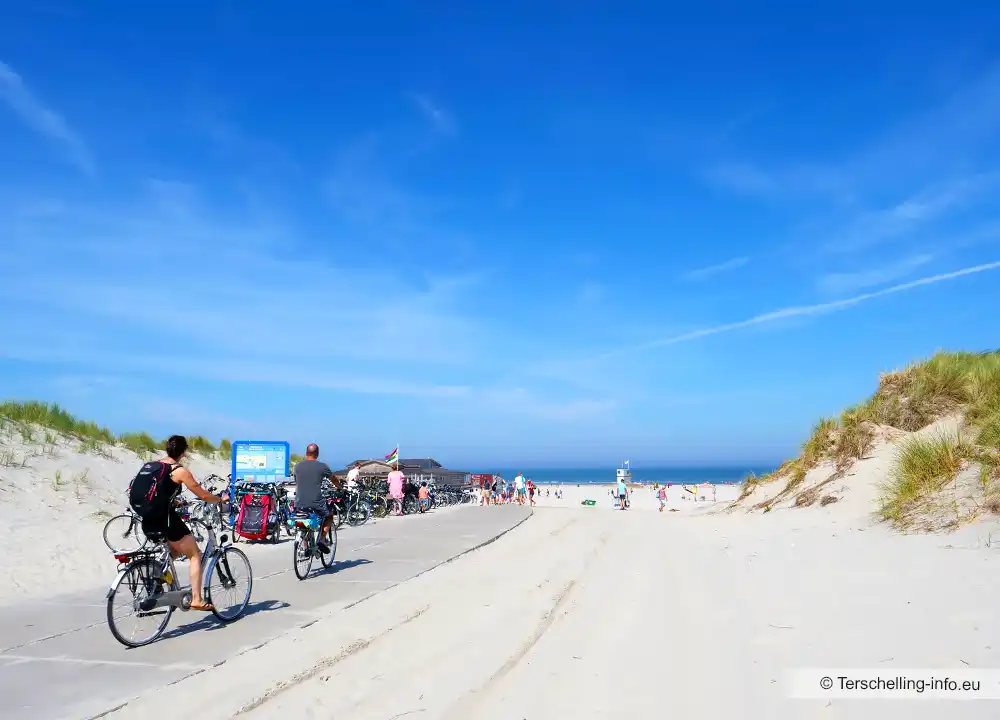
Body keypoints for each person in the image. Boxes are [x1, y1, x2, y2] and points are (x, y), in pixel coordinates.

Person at [128, 435, 227, 611]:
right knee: (195, 554)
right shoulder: (179, 471)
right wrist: (220, 499)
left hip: (147, 520)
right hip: (165, 520)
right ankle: (197, 599)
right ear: (183, 452)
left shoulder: (153, 466)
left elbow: (157, 493)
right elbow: (203, 495)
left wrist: (174, 502)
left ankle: (155, 577)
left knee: (174, 550)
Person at [292, 443, 336, 554]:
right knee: (329, 515)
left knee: (305, 521)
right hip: (316, 502)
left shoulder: (297, 466)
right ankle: (321, 539)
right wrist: (340, 488)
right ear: (317, 453)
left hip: (299, 502)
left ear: (306, 453)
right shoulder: (322, 466)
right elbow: (334, 479)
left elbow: (297, 480)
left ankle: (306, 547)